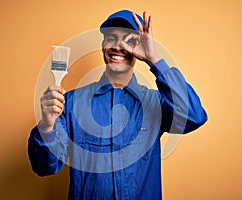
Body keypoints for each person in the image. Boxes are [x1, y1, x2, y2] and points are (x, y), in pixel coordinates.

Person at [28, 10, 207, 199]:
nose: (118, 46)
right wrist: (47, 125)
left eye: (129, 41)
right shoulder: (71, 103)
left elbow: (194, 116)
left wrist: (154, 60)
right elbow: (45, 166)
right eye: (111, 38)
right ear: (103, 45)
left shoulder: (156, 103)